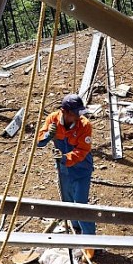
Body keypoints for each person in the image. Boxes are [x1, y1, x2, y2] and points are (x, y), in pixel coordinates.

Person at [37, 93, 95, 255]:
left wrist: (65, 158)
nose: (78, 117)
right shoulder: (53, 119)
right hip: (64, 170)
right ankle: (76, 228)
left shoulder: (84, 125)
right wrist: (48, 135)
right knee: (68, 201)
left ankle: (90, 242)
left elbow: (83, 150)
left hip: (81, 169)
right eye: (75, 113)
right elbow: (39, 142)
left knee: (81, 204)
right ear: (65, 111)